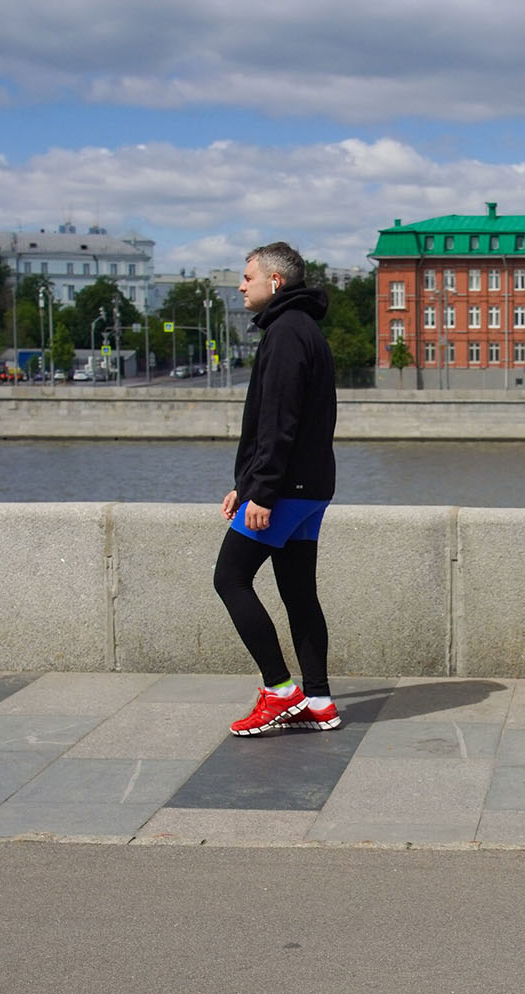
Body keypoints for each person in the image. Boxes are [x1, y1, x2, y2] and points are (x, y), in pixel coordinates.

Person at [214, 242, 342, 736]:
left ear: (276, 282)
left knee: (230, 577)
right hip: (310, 486)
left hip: (285, 488)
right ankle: (319, 700)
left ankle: (279, 689)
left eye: (248, 277)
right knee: (298, 593)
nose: (241, 285)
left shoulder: (286, 333)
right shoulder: (304, 329)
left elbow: (278, 423)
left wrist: (261, 492)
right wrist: (244, 486)